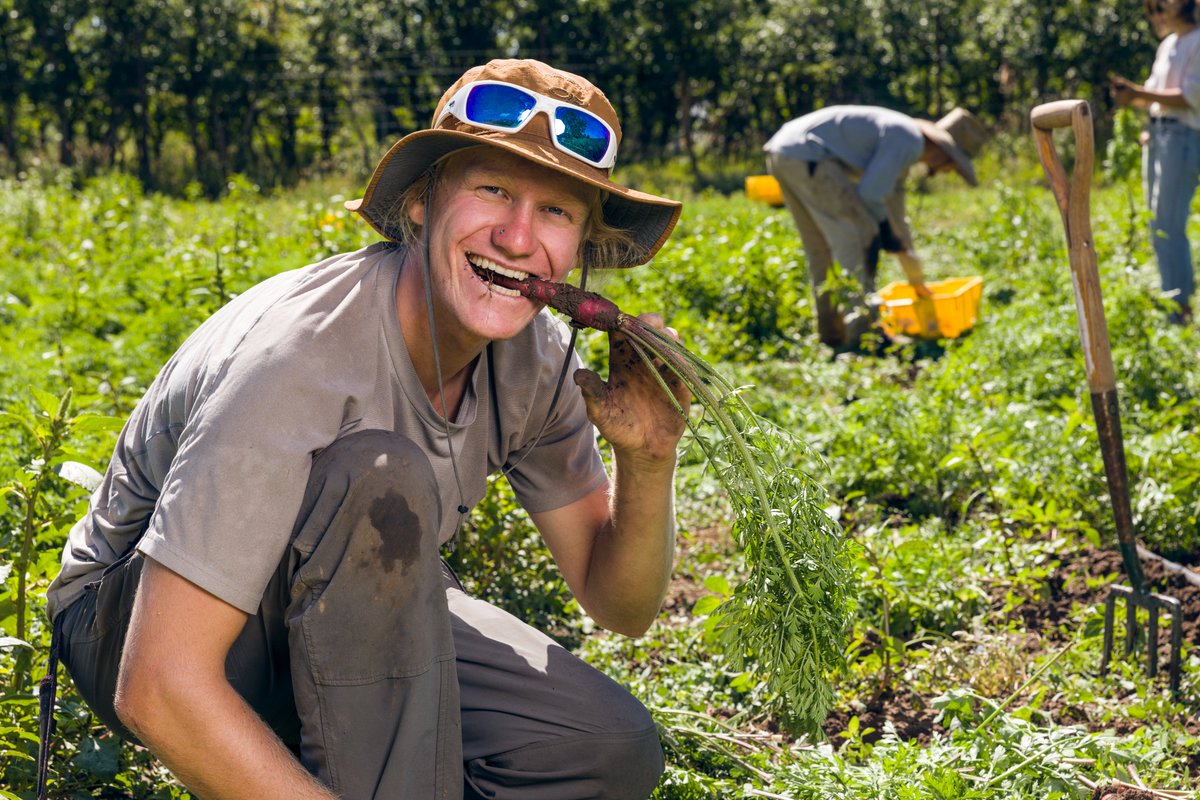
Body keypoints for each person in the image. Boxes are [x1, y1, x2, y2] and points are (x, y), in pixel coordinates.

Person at [43, 58, 688, 800]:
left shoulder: (537, 359)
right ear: (421, 202)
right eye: (493, 190)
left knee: (605, 748)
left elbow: (622, 605)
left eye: (557, 212)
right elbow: (157, 684)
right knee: (377, 480)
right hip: (132, 622)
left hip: (322, 602)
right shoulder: (301, 355)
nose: (517, 238)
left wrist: (646, 460)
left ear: (579, 244)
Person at [764, 105, 986, 348]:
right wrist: (885, 233)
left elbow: (895, 211)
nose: (945, 172)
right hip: (809, 154)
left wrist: (912, 268)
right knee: (860, 236)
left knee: (821, 249)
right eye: (952, 166)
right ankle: (864, 334)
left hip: (783, 151)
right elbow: (870, 195)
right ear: (944, 155)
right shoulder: (908, 140)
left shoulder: (901, 142)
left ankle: (832, 334)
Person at [1111, 0, 1200, 325]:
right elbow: (1152, 93)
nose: (1157, 14)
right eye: (1153, 10)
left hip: (1184, 137)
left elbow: (1191, 97)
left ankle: (1179, 309)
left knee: (1169, 224)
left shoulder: (1198, 41)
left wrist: (1139, 93)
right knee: (1156, 222)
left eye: (1162, 6)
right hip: (1160, 136)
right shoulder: (1167, 46)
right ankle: (1173, 302)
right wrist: (1132, 97)